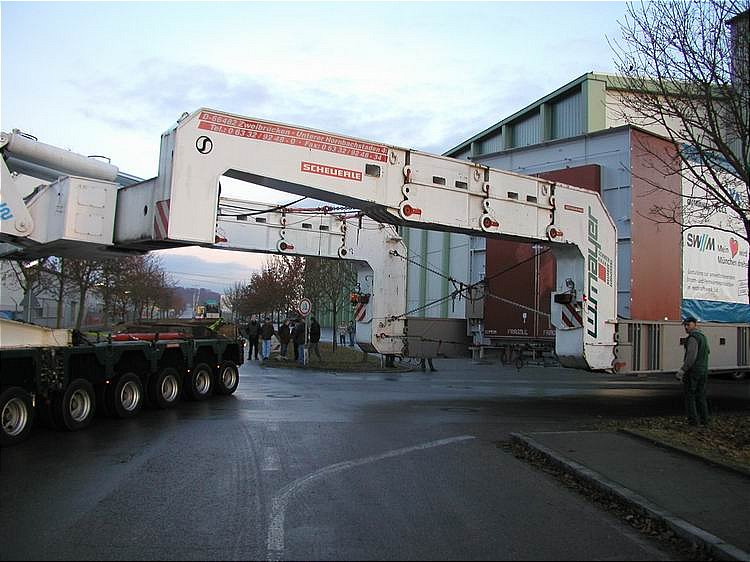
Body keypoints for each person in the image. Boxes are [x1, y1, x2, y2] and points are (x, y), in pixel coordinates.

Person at [675, 316, 711, 427]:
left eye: (688, 324)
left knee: (690, 396)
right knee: (701, 396)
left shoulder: (692, 338)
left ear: (694, 324)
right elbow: (708, 351)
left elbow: (691, 357)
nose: (686, 327)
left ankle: (693, 422)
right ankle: (705, 420)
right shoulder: (703, 337)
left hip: (693, 371)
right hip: (703, 370)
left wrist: (682, 370)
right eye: (685, 325)